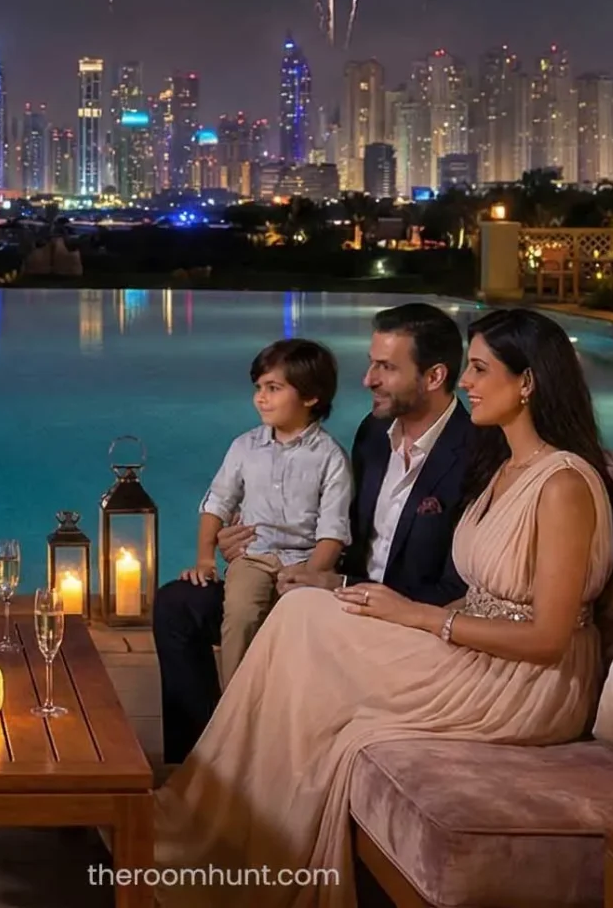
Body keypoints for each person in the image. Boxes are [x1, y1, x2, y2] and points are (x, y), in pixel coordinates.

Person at [153, 307, 613, 906]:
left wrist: (417, 617)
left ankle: (247, 838)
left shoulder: (561, 485)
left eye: (479, 369)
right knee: (289, 614)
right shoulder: (502, 465)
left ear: (526, 381)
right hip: (463, 644)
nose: (467, 382)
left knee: (302, 625)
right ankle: (223, 810)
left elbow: (549, 638)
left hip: (523, 683)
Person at [154, 302, 485, 762]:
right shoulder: (375, 434)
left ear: (434, 376)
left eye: (386, 367)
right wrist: (246, 542)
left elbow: (456, 587)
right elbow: (337, 522)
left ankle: (244, 741)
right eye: (371, 363)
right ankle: (203, 758)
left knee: (280, 616)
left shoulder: (475, 455)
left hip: (392, 614)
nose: (367, 379)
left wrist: (336, 581)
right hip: (317, 580)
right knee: (178, 605)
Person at [177, 340, 352, 690]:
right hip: (254, 557)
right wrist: (205, 559)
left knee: (300, 624)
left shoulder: (331, 457)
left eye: (274, 388)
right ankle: (235, 698)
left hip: (306, 559)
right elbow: (218, 502)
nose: (261, 398)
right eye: (259, 388)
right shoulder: (244, 447)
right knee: (241, 614)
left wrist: (311, 573)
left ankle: (287, 701)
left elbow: (332, 530)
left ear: (310, 396)